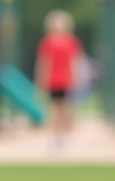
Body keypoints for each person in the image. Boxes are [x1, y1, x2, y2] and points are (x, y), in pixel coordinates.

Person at [35, 10, 84, 149]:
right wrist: (41, 80)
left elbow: (74, 62)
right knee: (55, 110)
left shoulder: (72, 42)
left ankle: (64, 137)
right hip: (53, 80)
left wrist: (77, 78)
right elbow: (44, 63)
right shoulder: (47, 43)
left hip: (66, 80)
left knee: (67, 110)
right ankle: (56, 137)